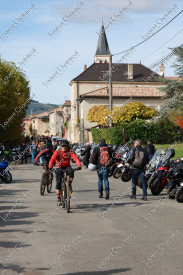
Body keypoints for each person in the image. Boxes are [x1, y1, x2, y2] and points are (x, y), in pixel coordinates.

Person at [49, 139, 81, 206]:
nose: (64, 147)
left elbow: (75, 158)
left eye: (65, 146)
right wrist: (50, 167)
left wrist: (79, 165)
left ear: (67, 146)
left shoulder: (70, 151)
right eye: (62, 146)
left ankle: (69, 184)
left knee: (72, 172)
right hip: (59, 167)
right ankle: (58, 197)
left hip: (67, 166)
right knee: (58, 182)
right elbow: (52, 159)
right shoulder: (58, 152)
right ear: (61, 146)